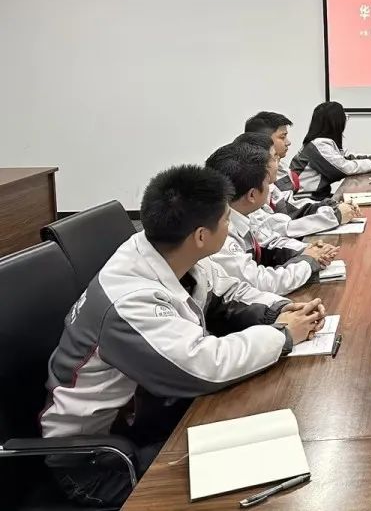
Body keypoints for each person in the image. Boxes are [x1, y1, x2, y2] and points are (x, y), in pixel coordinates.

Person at [40, 165, 326, 507]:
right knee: (259, 475)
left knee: (267, 434)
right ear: (202, 235)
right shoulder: (128, 301)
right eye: (226, 220)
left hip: (151, 418)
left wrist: (279, 310)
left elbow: (227, 290)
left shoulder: (167, 250)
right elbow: (203, 366)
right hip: (100, 462)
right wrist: (283, 336)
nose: (231, 226)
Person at [206, 142, 334, 295]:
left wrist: (306, 251)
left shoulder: (242, 213)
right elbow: (260, 283)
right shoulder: (219, 234)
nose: (271, 187)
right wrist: (306, 262)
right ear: (252, 195)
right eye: (267, 183)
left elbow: (269, 242)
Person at [234, 132, 355, 238]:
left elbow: (292, 209)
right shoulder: (249, 201)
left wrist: (331, 205)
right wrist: (334, 216)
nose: (288, 142)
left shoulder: (271, 185)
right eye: (274, 157)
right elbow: (280, 229)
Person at [289, 101, 371, 199]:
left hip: (318, 196)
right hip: (306, 199)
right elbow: (344, 168)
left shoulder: (323, 144)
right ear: (335, 122)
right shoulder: (318, 146)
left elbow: (347, 157)